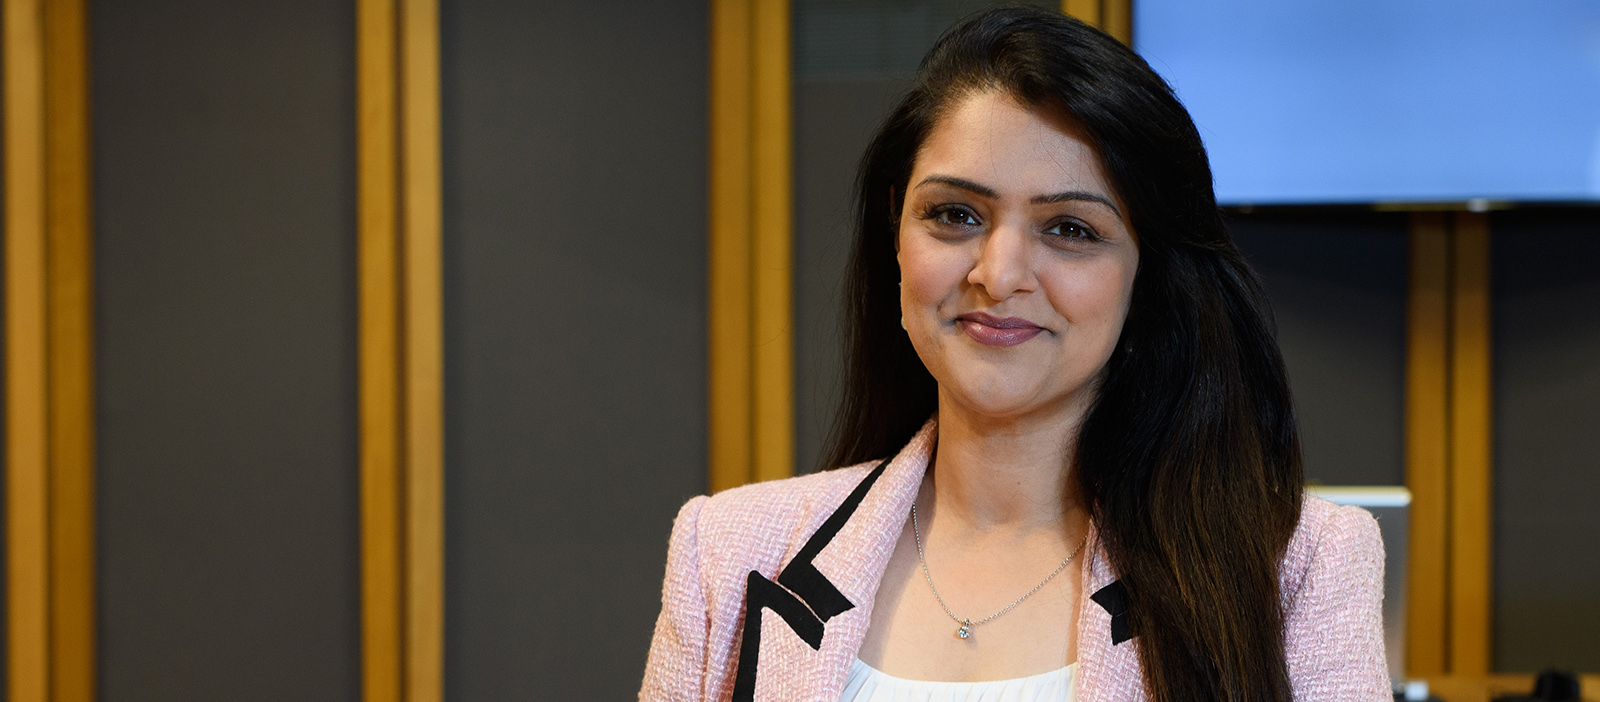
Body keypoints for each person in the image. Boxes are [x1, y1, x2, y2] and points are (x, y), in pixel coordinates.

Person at [641, 7, 1387, 701]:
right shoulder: (727, 553)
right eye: (955, 215)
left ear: (1147, 276)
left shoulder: (1299, 566)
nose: (997, 275)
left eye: (1070, 228)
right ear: (896, 238)